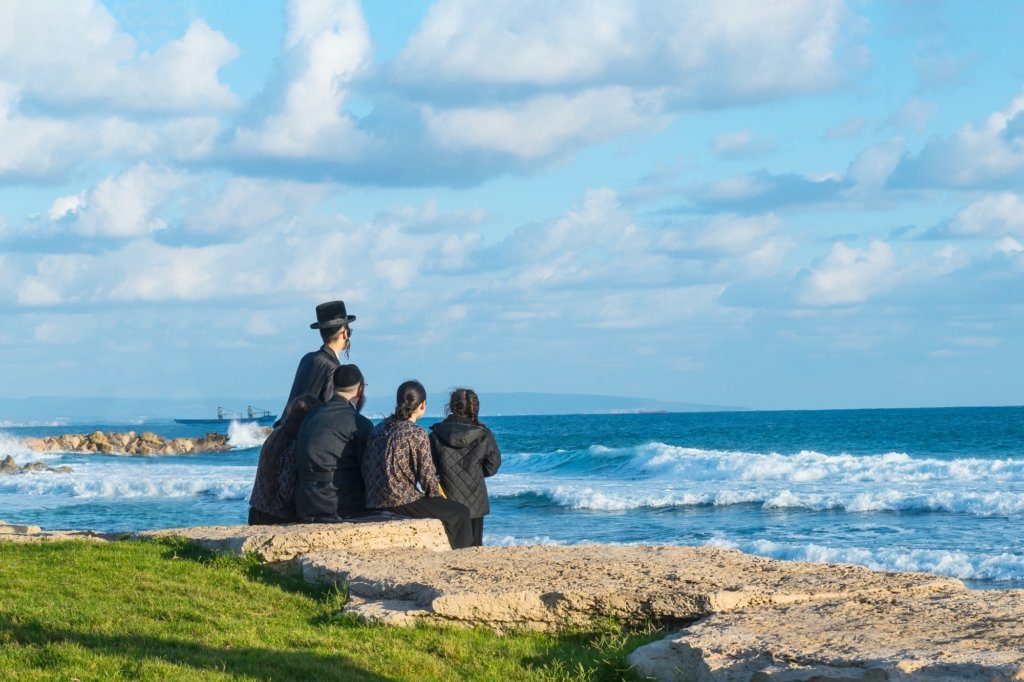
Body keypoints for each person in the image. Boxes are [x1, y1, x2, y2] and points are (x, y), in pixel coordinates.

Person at [362, 380, 473, 549]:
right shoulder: (416, 433)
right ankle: (461, 558)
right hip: (400, 502)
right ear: (422, 405)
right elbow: (427, 478)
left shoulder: (378, 428)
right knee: (460, 513)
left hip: (373, 499)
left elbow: (366, 467)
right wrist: (439, 498)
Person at [293, 364, 373, 521]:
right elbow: (368, 469)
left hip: (304, 501)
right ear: (360, 389)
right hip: (339, 503)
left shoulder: (310, 416)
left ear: (334, 386)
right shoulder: (359, 423)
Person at [429, 388, 501, 546]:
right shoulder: (483, 434)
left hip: (447, 499)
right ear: (475, 408)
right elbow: (492, 467)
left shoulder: (436, 434)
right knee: (475, 547)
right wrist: (474, 471)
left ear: (452, 407)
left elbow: (430, 469)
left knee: (451, 544)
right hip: (476, 499)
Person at [248, 392, 319, 525]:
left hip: (257, 511)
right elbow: (286, 489)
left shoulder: (276, 434)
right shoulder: (294, 443)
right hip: (278, 517)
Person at [279, 300, 356, 422]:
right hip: (306, 437)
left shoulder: (307, 358)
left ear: (321, 333)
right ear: (345, 334)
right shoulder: (334, 369)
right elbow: (330, 414)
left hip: (284, 434)